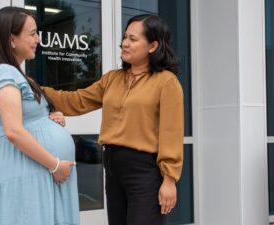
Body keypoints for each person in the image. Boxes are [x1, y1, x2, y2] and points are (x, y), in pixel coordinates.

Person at [43, 14, 184, 225]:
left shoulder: (166, 82)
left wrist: (169, 180)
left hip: (144, 169)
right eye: (125, 37)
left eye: (133, 39)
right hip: (112, 164)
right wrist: (36, 89)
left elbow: (171, 133)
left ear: (153, 45)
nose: (124, 43)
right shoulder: (112, 79)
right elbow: (77, 101)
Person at [0, 7, 79, 225]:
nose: (38, 39)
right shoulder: (2, 73)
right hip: (25, 169)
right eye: (32, 33)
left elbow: (29, 117)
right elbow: (13, 131)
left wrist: (52, 117)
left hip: (35, 169)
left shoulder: (20, 75)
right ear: (11, 39)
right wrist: (54, 165)